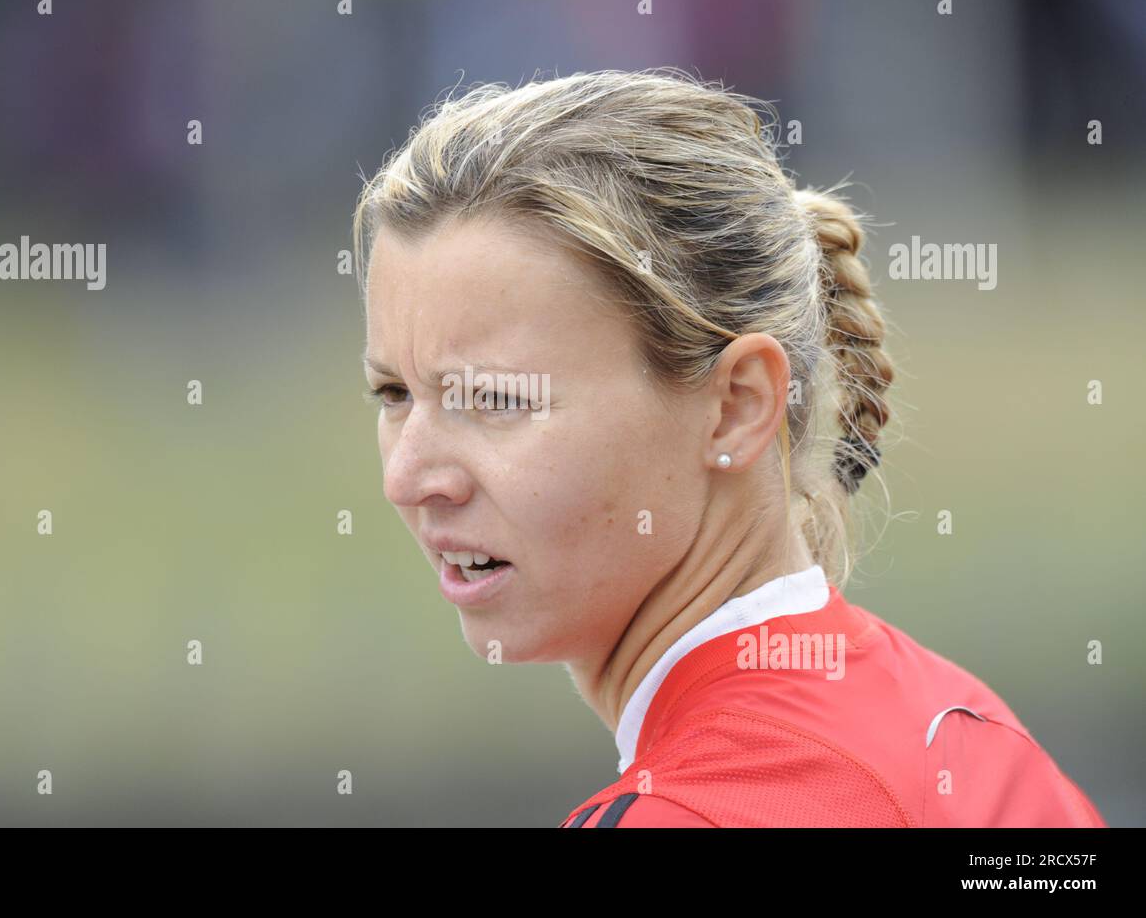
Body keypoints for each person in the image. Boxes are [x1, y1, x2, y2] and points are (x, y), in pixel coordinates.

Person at [352, 68, 1106, 827]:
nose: (409, 476)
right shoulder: (974, 735)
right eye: (394, 395)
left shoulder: (685, 810)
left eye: (496, 399)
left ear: (737, 406)